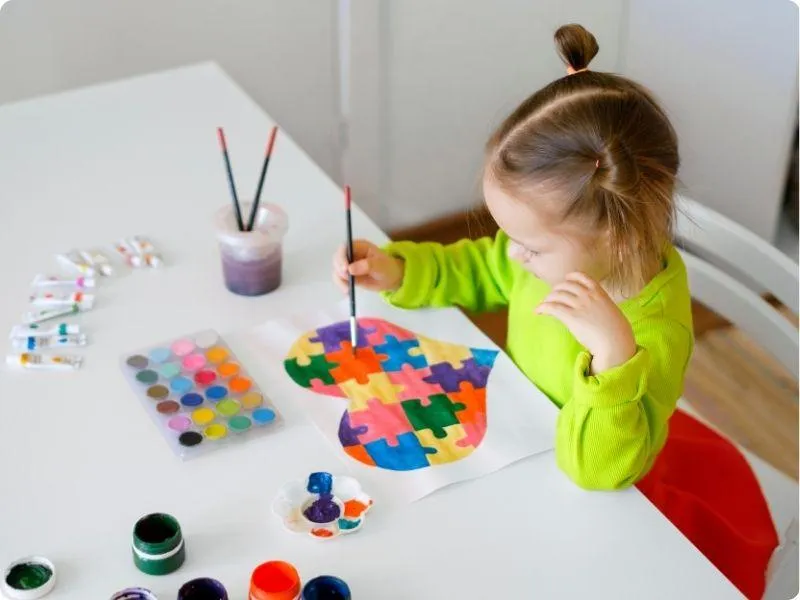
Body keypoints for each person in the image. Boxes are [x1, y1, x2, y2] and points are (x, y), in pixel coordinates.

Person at [332, 24, 777, 598]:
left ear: (617, 235)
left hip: (615, 476)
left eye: (532, 247)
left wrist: (614, 361)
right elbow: (484, 267)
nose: (514, 254)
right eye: (510, 234)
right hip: (526, 437)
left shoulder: (654, 329)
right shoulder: (558, 254)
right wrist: (401, 270)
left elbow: (598, 471)